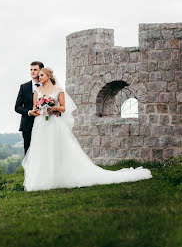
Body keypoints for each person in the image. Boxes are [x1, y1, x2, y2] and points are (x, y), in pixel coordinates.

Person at [22, 67, 152, 191]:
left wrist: (54, 108)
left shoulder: (58, 90)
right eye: (38, 76)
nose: (39, 77)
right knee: (42, 149)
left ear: (49, 76)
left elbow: (63, 108)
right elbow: (35, 108)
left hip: (54, 122)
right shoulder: (37, 91)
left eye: (41, 75)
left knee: (56, 148)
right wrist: (39, 109)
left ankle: (58, 177)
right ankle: (42, 179)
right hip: (41, 124)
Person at [14, 61, 44, 155]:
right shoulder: (24, 87)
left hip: (44, 124)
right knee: (28, 154)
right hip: (27, 126)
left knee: (43, 152)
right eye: (31, 69)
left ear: (41, 71)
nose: (32, 72)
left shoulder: (48, 86)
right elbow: (17, 107)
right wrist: (29, 112)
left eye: (35, 69)